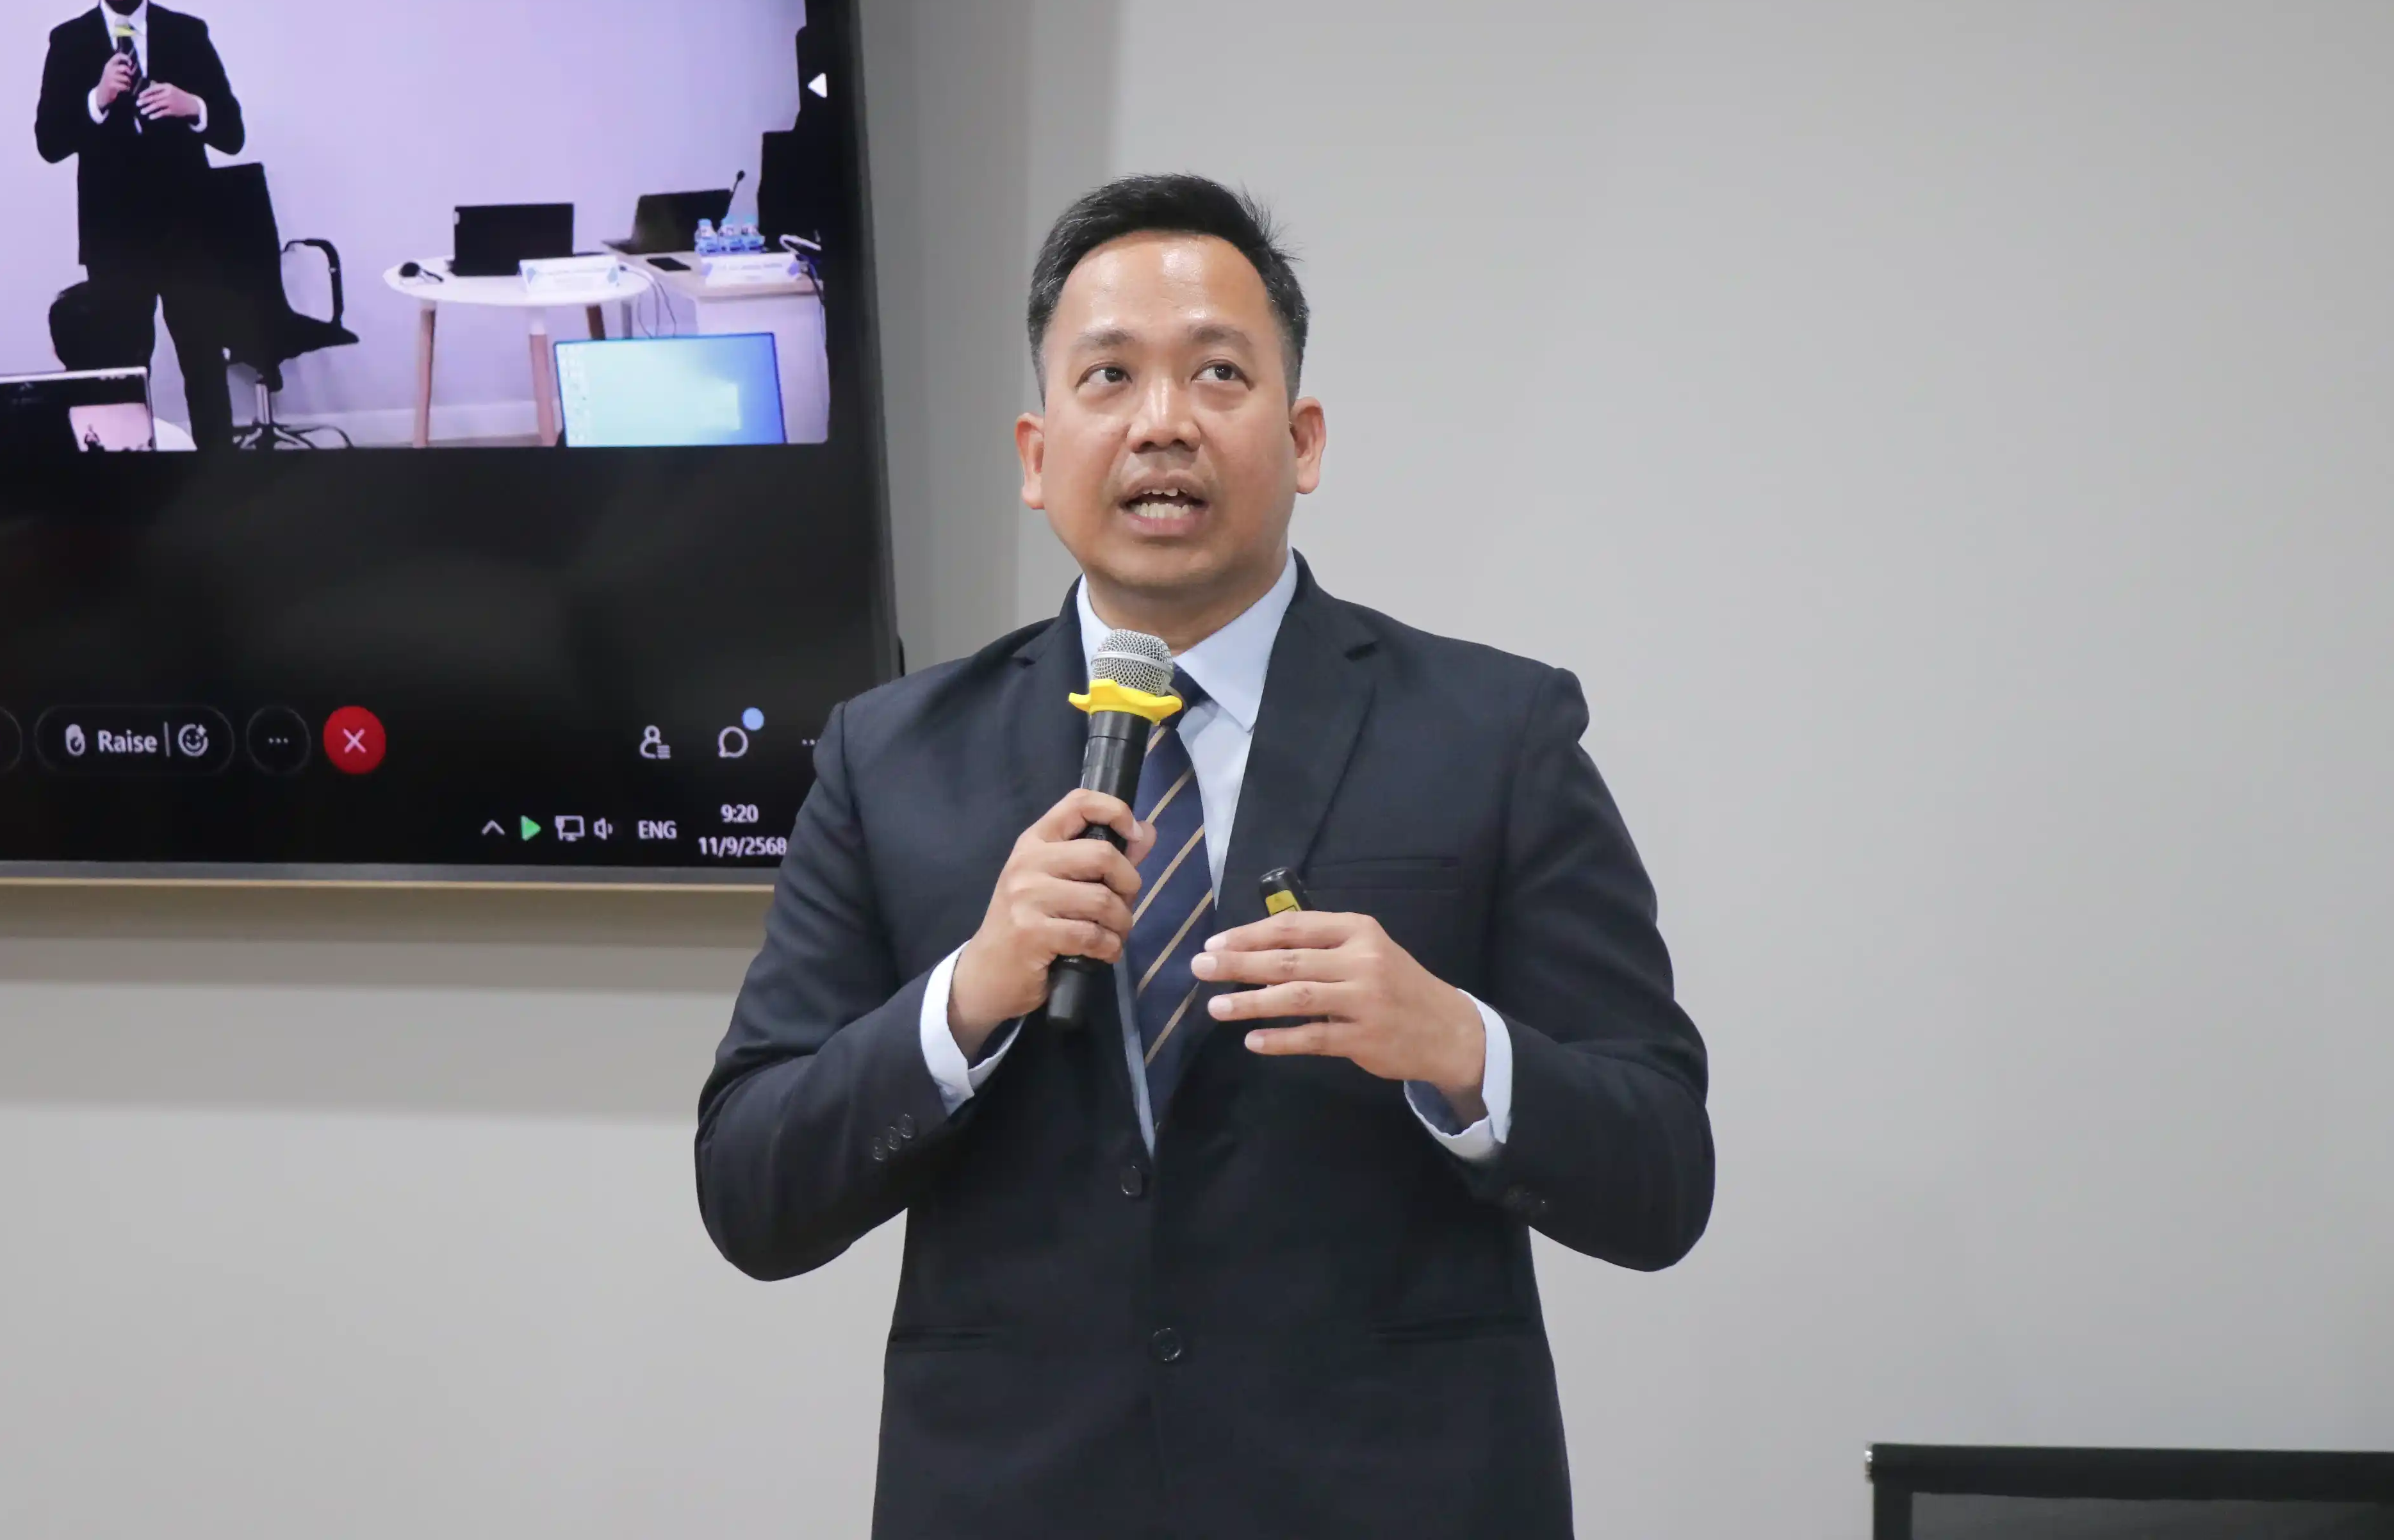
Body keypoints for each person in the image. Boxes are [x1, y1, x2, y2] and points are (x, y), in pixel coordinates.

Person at [696, 174, 1713, 1539]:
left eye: (1217, 373)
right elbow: (751, 1189)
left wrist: (1456, 1043)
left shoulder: (1494, 733)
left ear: (1301, 439)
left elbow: (1662, 1172)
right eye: (1108, 376)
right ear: (1036, 452)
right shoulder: (889, 758)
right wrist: (966, 997)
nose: (1162, 421)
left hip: (1391, 1499)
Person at [33, 0, 243, 450]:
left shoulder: (187, 34)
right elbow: (49, 142)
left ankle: (222, 482)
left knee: (204, 363)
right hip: (114, 240)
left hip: (188, 235)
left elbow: (233, 132)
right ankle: (128, 483)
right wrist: (96, 100)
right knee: (119, 372)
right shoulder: (69, 41)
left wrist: (193, 106)